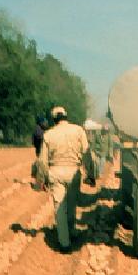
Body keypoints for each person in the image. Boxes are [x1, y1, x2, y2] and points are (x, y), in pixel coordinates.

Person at [35, 106, 94, 249]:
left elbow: (42, 161)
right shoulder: (78, 130)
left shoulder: (48, 134)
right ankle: (72, 231)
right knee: (72, 203)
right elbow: (87, 153)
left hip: (56, 172)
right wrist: (90, 174)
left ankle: (64, 242)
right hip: (74, 171)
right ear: (66, 116)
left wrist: (41, 180)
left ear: (54, 119)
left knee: (59, 207)